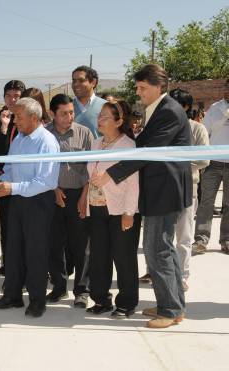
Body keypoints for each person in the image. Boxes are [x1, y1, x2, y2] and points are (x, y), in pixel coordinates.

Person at [91, 64, 191, 329]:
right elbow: (144, 144)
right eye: (138, 87)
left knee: (157, 250)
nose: (139, 92)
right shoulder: (159, 109)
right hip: (160, 190)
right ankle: (172, 304)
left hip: (165, 192)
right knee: (163, 250)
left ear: (160, 86)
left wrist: (111, 174)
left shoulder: (168, 111)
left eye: (143, 87)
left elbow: (145, 151)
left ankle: (169, 310)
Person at [0, 97, 60, 318]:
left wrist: (11, 187)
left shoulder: (46, 142)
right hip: (18, 199)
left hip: (39, 202)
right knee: (14, 249)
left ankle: (37, 301)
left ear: (34, 117)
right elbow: (10, 167)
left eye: (18, 117)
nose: (14, 121)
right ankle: (12, 295)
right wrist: (2, 182)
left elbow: (46, 182)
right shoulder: (19, 139)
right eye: (13, 116)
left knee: (35, 252)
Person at [140, 89, 209, 289]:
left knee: (183, 236)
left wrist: (176, 166)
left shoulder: (196, 129)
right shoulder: (159, 125)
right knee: (158, 237)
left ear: (185, 107)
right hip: (161, 189)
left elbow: (204, 159)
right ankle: (154, 272)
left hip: (187, 187)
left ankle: (182, 275)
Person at [86, 100, 141, 318]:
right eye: (99, 115)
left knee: (124, 257)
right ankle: (101, 300)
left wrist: (129, 212)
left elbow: (133, 182)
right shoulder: (95, 143)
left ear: (119, 121)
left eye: (105, 117)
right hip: (96, 207)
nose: (99, 119)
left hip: (119, 210)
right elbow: (90, 177)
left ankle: (126, 303)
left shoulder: (128, 145)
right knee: (99, 257)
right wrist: (84, 199)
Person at [46, 94, 94, 308]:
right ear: (52, 114)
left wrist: (85, 196)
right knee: (54, 244)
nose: (69, 117)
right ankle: (58, 286)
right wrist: (54, 188)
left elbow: (91, 167)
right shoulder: (44, 135)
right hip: (51, 195)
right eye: (63, 113)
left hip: (78, 195)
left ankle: (82, 290)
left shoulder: (84, 133)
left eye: (71, 112)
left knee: (81, 244)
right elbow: (41, 167)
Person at [0, 79, 26, 276]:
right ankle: (7, 263)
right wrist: (4, 129)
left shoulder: (28, 120)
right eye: (9, 96)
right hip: (3, 182)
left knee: (22, 228)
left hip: (25, 183)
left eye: (17, 96)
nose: (12, 100)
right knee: (4, 226)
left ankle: (22, 265)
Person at [193, 79, 229, 255]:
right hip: (213, 162)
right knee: (206, 202)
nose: (227, 91)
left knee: (228, 204)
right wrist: (224, 118)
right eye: (226, 88)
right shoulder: (215, 108)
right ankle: (201, 240)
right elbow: (205, 131)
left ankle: (226, 240)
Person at [72, 65, 107, 138]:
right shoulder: (67, 108)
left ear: (93, 82)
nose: (76, 84)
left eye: (81, 80)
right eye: (74, 81)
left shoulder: (106, 107)